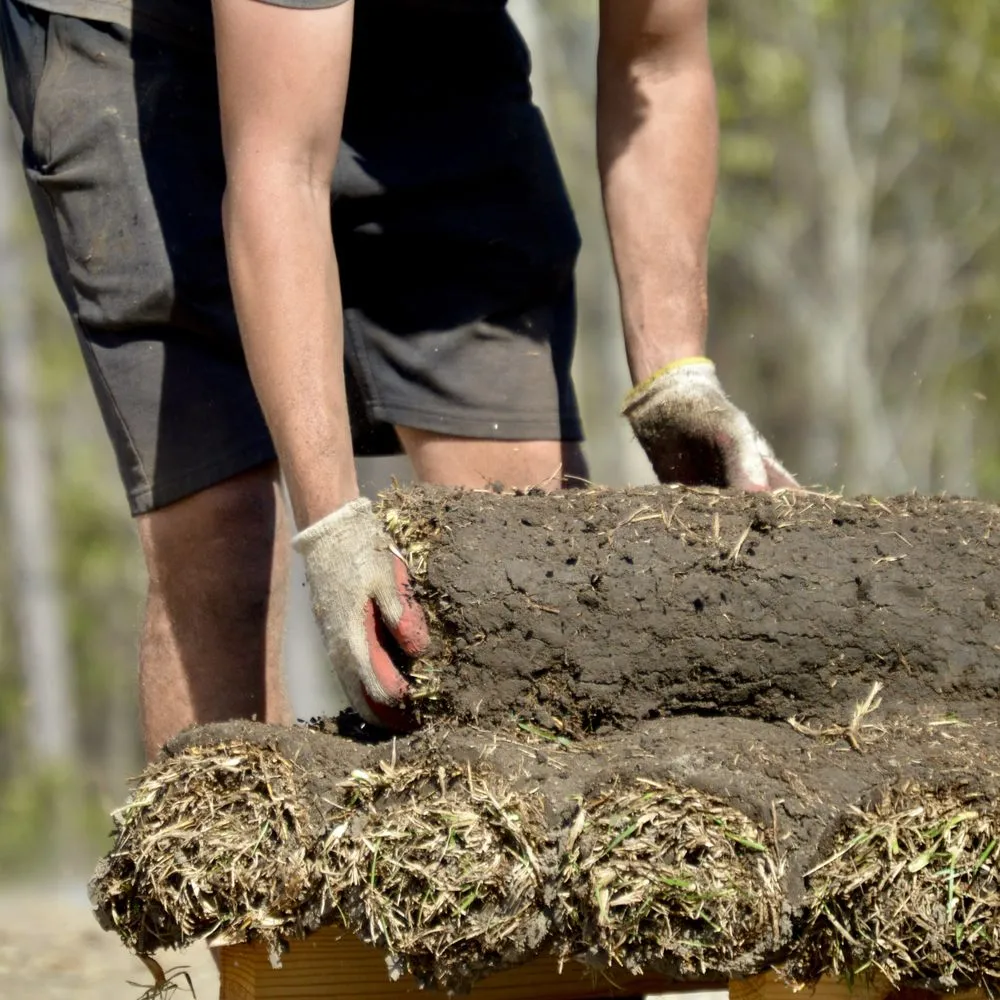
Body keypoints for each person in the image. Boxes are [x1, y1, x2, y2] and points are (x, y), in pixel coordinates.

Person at [0, 0, 796, 752]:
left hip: (426, 33)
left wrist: (674, 374)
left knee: (523, 538)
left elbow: (657, 66)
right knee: (223, 529)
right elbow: (279, 166)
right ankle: (235, 882)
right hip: (142, 42)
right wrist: (334, 526)